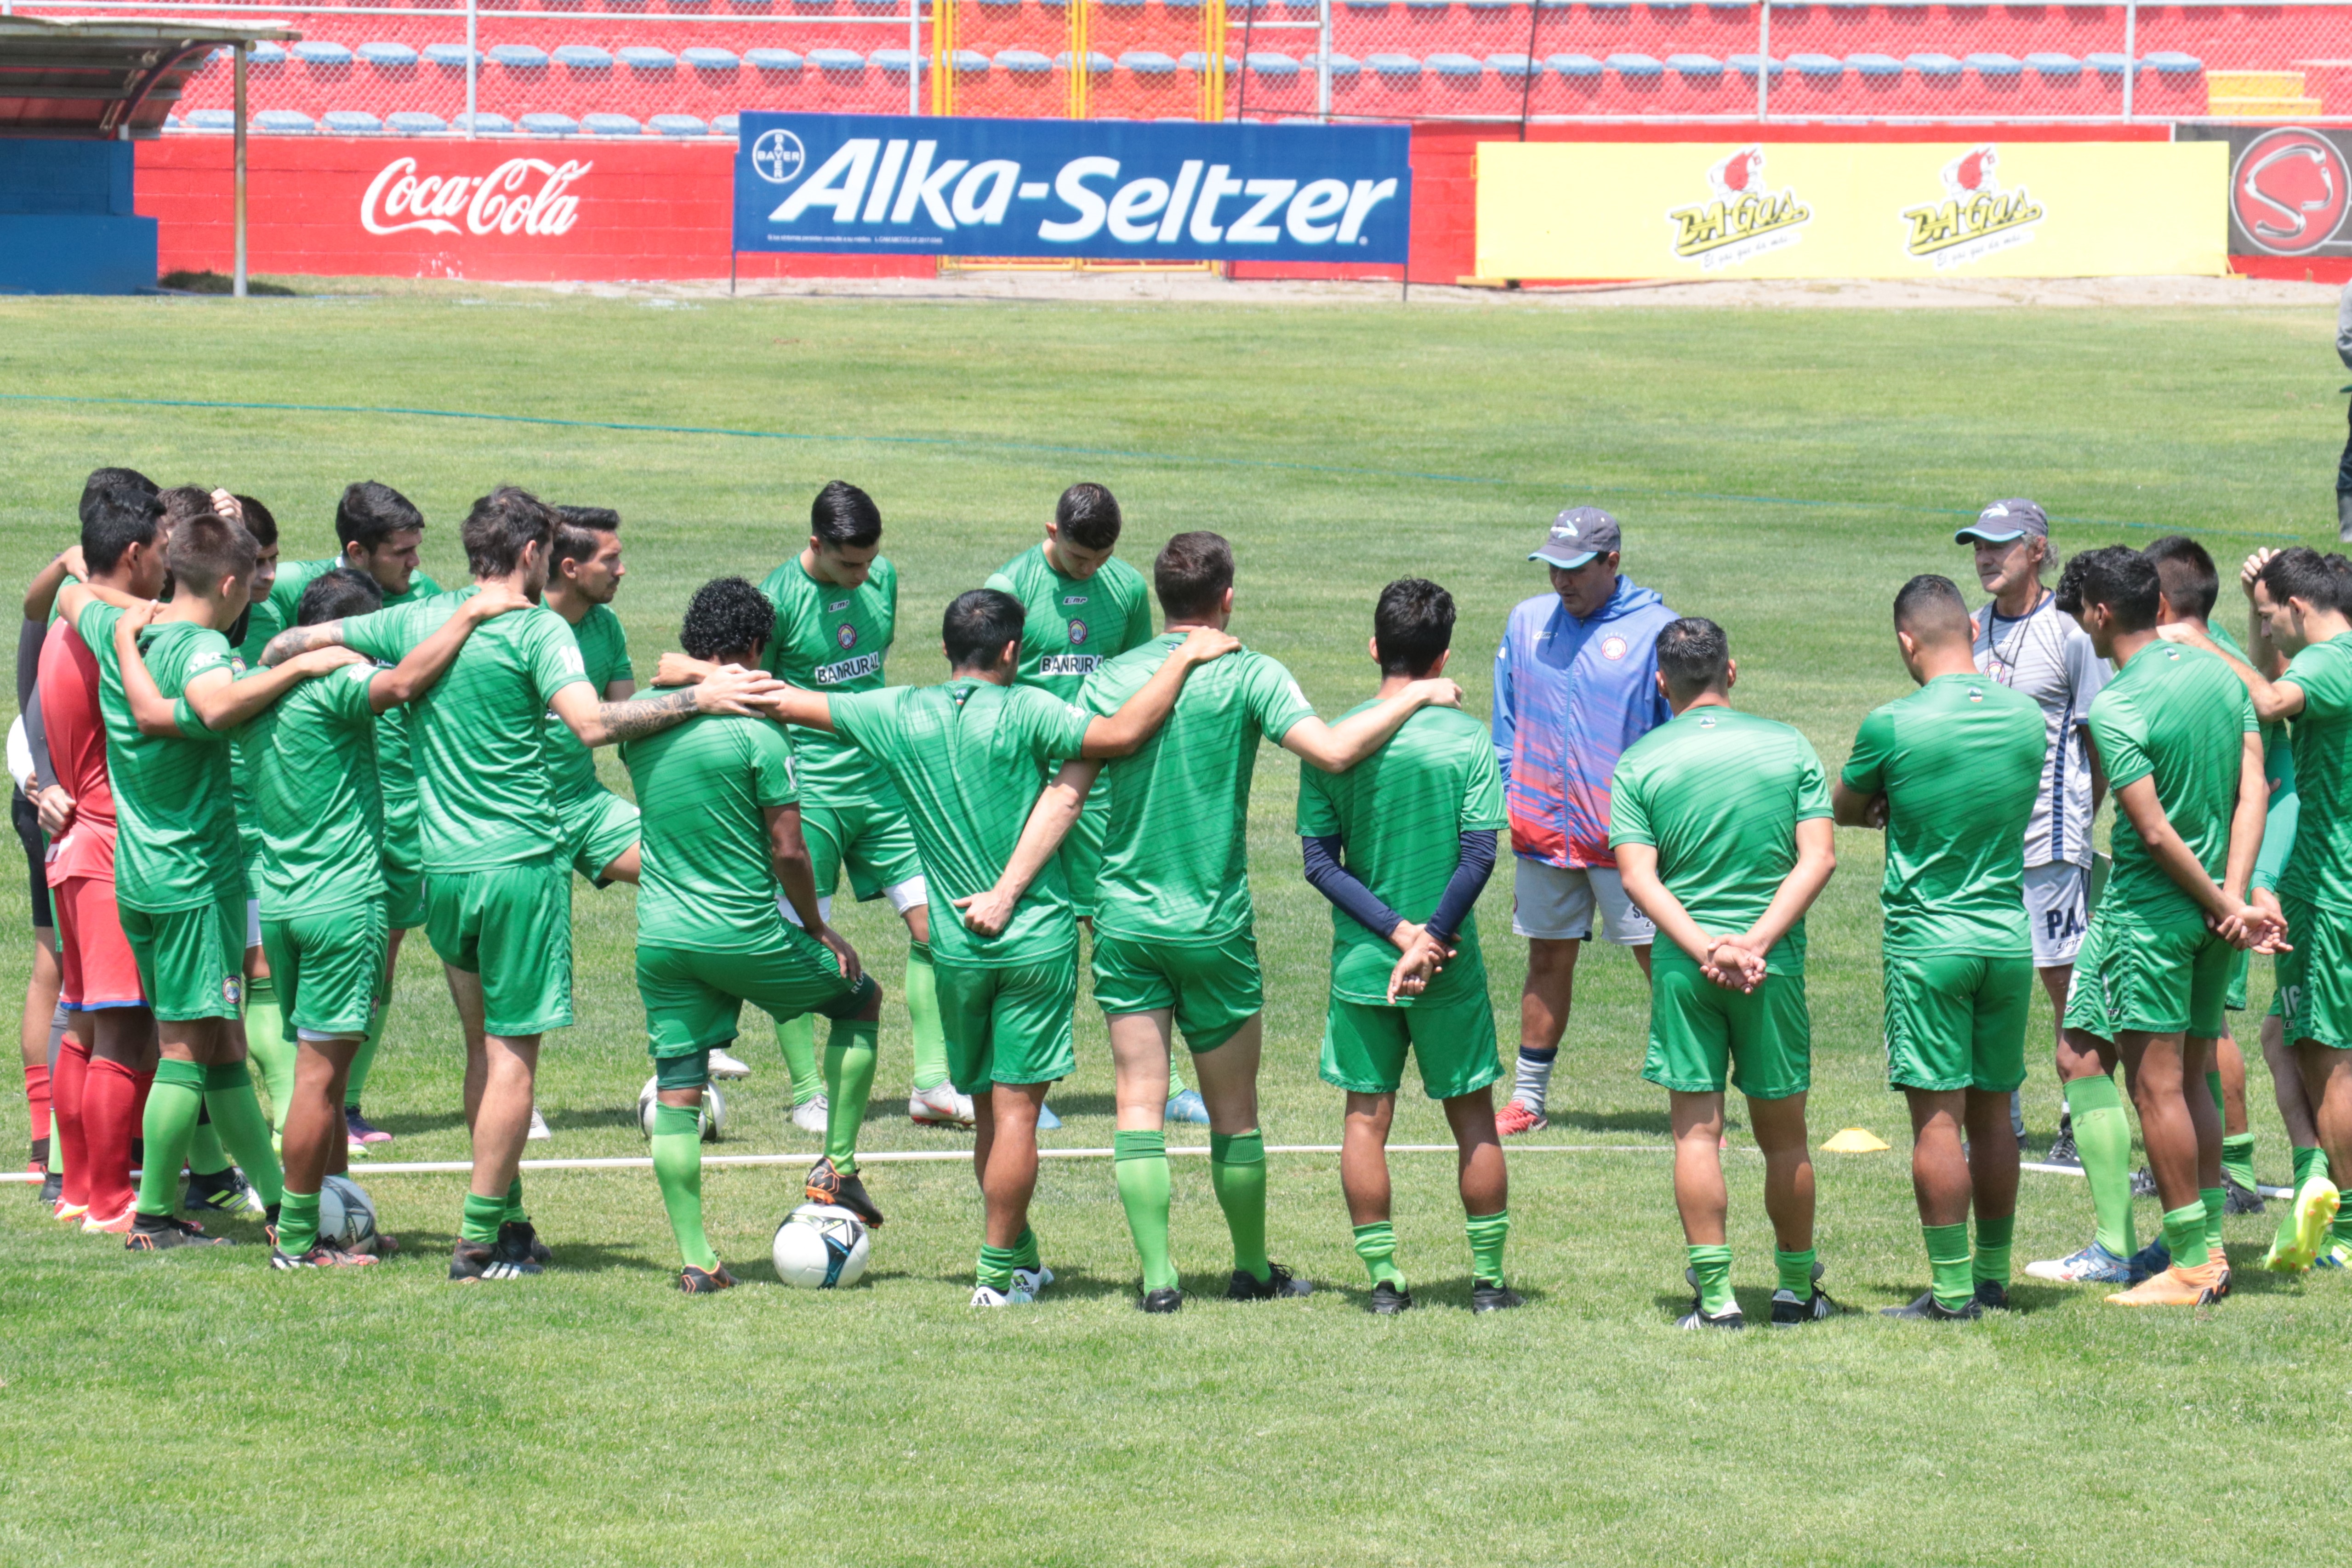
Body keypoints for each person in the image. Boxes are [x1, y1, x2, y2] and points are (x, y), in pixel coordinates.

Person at [262, 486, 775, 1283]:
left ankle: (506, 1220)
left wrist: (318, 652)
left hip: (445, 871)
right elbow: (594, 725)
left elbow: (288, 642)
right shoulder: (538, 629)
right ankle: (477, 1240)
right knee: (513, 1056)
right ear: (534, 555)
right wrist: (699, 697)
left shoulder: (413, 619)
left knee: (480, 1048)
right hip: (521, 871)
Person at [750, 587, 1238, 1304]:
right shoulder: (1032, 708)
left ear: (946, 648)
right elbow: (1121, 735)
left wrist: (693, 679)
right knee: (1013, 1117)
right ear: (1012, 651)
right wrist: (1186, 656)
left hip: (953, 948)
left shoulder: (899, 711)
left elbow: (782, 701)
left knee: (988, 1113)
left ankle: (1019, 1260)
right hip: (1033, 943)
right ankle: (994, 1278)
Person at [1072, 531, 1462, 1311]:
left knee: (1138, 1103)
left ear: (1160, 599)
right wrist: (1414, 694)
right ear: (1226, 600)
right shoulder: (1249, 672)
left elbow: (1068, 781)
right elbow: (1331, 753)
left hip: (1125, 918)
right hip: (1213, 926)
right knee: (1234, 1114)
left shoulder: (1109, 678)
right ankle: (1250, 1270)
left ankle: (1157, 1282)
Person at [60, 511, 359, 1250]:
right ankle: (156, 1218)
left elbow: (72, 585)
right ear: (230, 583)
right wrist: (295, 667)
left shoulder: (128, 631)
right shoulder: (200, 651)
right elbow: (218, 705)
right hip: (195, 880)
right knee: (186, 1049)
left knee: (220, 1045)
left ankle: (276, 1205)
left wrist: (135, 612)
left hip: (140, 873)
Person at [232, 568, 525, 1266]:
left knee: (325, 1074)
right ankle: (299, 1241)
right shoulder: (335, 687)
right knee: (318, 1079)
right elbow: (400, 685)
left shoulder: (253, 693)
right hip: (342, 904)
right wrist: (467, 618)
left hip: (283, 898)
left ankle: (334, 1218)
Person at [2025, 547, 2272, 1307]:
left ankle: (2191, 1266)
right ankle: (2195, 1244)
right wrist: (2231, 897)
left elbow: (2154, 833)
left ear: (2102, 613)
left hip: (2149, 915)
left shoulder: (2119, 707)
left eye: (2079, 616)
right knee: (2179, 1070)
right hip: (2208, 918)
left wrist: (2224, 902)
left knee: (2155, 1086)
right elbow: (2250, 786)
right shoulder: (2213, 672)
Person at [622, 578, 882, 1292]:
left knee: (678, 1092)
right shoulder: (759, 731)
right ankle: (836, 1168)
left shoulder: (646, 725)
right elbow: (790, 851)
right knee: (858, 998)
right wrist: (818, 925)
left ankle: (697, 1259)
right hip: (742, 935)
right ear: (758, 648)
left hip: (662, 939)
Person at [1609, 617, 1839, 1330]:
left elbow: (1638, 880)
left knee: (1697, 1135)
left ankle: (1715, 1301)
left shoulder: (1639, 762)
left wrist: (1707, 948)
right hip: (1772, 969)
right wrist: (1757, 942)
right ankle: (1796, 1291)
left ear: (1660, 683)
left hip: (1687, 970)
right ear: (1729, 672)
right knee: (1786, 1139)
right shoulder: (1788, 746)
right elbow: (1818, 858)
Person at [1296, 579, 1517, 1315]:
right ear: (1444, 655)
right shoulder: (1465, 737)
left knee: (1366, 1118)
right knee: (1473, 1117)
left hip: (1367, 962)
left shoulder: (1334, 741)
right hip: (1447, 962)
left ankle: (1384, 1283)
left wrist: (1395, 936)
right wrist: (1430, 939)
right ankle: (1487, 1284)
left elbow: (1320, 863)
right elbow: (1479, 855)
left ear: (1373, 649)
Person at [1833, 576, 2044, 1320]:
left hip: (1929, 943)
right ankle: (1993, 1278)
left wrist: (1888, 803)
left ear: (1905, 642)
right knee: (1994, 1116)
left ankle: (1951, 1293)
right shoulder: (2026, 720)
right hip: (2007, 940)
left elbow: (1845, 807)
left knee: (1938, 1122)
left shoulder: (1891, 724)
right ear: (1972, 632)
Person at [985, 481, 1206, 1129]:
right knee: (1033, 935)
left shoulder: (1127, 588)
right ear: (1051, 533)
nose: (1091, 571)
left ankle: (1161, 1084)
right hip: (1026, 786)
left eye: (1101, 559)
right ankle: (1024, 1088)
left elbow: (1145, 675)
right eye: (1080, 560)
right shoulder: (1008, 591)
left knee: (1122, 926)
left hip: (1103, 786)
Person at [756, 481, 962, 1146]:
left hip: (882, 783)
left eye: (871, 562)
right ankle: (806, 1093)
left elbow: (866, 680)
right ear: (815, 544)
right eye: (850, 566)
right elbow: (757, 695)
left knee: (936, 927)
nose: (864, 576)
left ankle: (932, 1085)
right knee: (798, 940)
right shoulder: (776, 600)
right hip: (808, 792)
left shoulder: (884, 580)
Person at [2171, 546, 2352, 1273]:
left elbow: (2268, 699)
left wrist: (2201, 640)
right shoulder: (2329, 659)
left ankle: (2347, 1225)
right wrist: (2250, 614)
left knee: (2331, 1059)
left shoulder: (2332, 661)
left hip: (2331, 889)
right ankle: (2316, 1176)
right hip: (2325, 884)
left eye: (2272, 617)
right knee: (2284, 1040)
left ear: (2301, 610)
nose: (2268, 632)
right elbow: (2272, 682)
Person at [259, 481, 447, 1152]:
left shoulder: (425, 601)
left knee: (384, 959)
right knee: (332, 977)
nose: (415, 566)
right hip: (336, 837)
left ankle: (348, 1106)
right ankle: (318, 1111)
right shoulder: (305, 589)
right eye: (401, 553)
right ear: (355, 553)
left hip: (406, 810)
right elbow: (240, 592)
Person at [1491, 507, 1678, 1137]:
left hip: (1628, 839)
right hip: (1542, 828)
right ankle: (1527, 1099)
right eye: (1552, 567)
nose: (1560, 581)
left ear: (1611, 562)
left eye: (1574, 569)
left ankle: (1694, 1093)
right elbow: (1506, 719)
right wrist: (1508, 796)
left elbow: (1675, 734)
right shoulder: (1526, 623)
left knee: (1665, 962)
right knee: (1546, 959)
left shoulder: (1658, 630)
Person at [30, 485, 172, 1232]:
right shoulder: (114, 625)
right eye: (163, 548)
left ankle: (83, 1189)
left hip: (74, 848)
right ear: (133, 554)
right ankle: (113, 1201)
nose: (168, 563)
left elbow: (51, 599)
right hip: (109, 846)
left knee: (84, 1024)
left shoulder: (70, 615)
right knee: (125, 1029)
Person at [1956, 499, 2108, 1153]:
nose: (1985, 557)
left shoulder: (2070, 632)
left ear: (2037, 550)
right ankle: (2002, 1117)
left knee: (2062, 981)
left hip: (2048, 839)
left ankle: (2079, 1119)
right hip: (1980, 844)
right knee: (1987, 975)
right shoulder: (1966, 631)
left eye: (2000, 545)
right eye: (1978, 546)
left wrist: (2078, 823)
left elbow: (2098, 739)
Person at [2143, 536, 2272, 1216]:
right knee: (2203, 1035)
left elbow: (2269, 700)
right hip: (2227, 876)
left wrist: (2231, 891)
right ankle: (2222, 1170)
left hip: (2212, 879)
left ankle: (2232, 1175)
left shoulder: (2198, 655)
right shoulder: (2216, 646)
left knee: (2205, 1036)